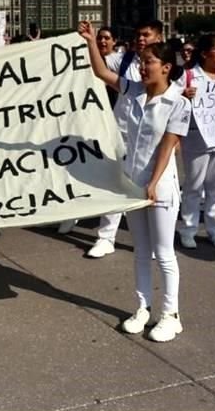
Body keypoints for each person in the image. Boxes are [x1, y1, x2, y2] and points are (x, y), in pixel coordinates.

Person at [78, 21, 190, 342]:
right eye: (141, 63)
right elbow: (102, 73)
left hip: (160, 188)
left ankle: (171, 315)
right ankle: (143, 308)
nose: (142, 67)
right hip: (132, 184)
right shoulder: (134, 91)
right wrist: (89, 40)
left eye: (149, 62)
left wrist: (153, 184)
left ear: (166, 67)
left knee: (163, 252)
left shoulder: (179, 103)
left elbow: (168, 148)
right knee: (140, 251)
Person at [61, 20, 164, 255]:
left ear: (158, 37)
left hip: (152, 139)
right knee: (116, 184)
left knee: (152, 187)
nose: (140, 38)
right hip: (122, 134)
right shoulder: (124, 60)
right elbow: (99, 68)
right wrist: (90, 41)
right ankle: (106, 237)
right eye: (138, 34)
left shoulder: (167, 64)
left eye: (146, 34)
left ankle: (156, 240)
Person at [178, 34, 215, 248]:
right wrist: (183, 95)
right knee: (193, 186)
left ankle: (214, 229)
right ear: (205, 54)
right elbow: (171, 98)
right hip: (197, 139)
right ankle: (189, 229)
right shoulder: (188, 76)